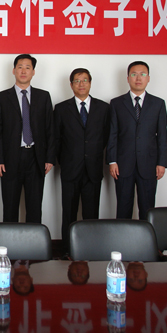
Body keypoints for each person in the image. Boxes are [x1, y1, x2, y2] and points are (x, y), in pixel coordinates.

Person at [0, 54, 55, 223]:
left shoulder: (43, 96)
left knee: (34, 207)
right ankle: (9, 240)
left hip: (36, 157)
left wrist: (49, 158)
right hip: (10, 158)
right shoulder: (1, 98)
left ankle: (34, 241)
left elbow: (50, 129)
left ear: (33, 72)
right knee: (10, 207)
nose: (23, 71)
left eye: (28, 67)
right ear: (14, 71)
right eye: (20, 67)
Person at [54, 68, 110, 251]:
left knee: (91, 214)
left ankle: (90, 249)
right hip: (70, 169)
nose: (81, 84)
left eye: (85, 80)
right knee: (68, 214)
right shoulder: (61, 108)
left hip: (93, 169)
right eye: (77, 81)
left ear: (90, 83)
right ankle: (67, 251)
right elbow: (56, 139)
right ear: (71, 85)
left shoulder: (103, 108)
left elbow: (106, 137)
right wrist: (65, 160)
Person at [107, 61, 167, 220]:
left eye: (142, 74)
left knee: (147, 209)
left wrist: (162, 163)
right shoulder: (116, 103)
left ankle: (146, 236)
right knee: (123, 207)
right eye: (134, 74)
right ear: (128, 78)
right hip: (122, 164)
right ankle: (123, 236)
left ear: (148, 78)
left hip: (149, 164)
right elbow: (112, 134)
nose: (138, 78)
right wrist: (112, 161)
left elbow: (162, 135)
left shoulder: (158, 104)